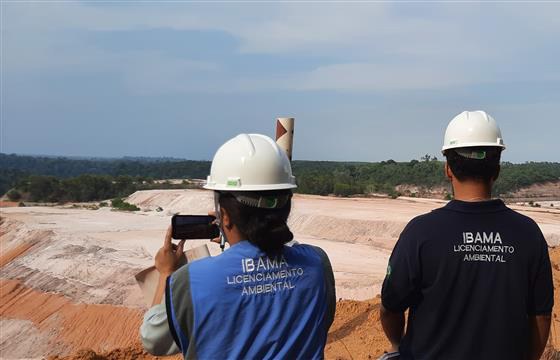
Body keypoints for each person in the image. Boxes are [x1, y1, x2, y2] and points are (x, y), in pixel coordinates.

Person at [140, 133, 336, 359]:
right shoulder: (317, 263)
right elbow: (322, 319)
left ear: (224, 215)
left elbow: (153, 339)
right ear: (287, 207)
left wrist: (166, 272)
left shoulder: (190, 280)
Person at [380, 111, 553, 360]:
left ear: (448, 169)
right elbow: (541, 315)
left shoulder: (421, 232)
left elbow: (390, 307)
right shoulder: (528, 233)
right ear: (497, 169)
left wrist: (398, 345)